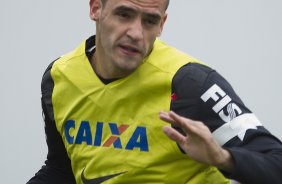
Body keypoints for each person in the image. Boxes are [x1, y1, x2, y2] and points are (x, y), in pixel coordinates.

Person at [27, 0, 282, 183]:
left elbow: (276, 162)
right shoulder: (59, 78)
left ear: (162, 25)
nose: (136, 33)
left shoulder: (190, 84)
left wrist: (222, 157)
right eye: (124, 14)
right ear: (95, 8)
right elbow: (62, 170)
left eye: (150, 20)